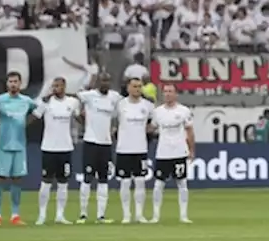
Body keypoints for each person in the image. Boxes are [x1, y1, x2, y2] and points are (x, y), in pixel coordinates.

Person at [0, 71, 40, 226]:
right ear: (7, 84)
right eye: (10, 81)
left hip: (20, 145)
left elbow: (36, 113)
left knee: (17, 179)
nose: (13, 84)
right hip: (3, 145)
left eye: (15, 81)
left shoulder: (27, 101)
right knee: (0, 179)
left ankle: (15, 215)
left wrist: (25, 123)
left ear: (20, 83)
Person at [76, 70, 122, 223]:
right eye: (102, 81)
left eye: (107, 81)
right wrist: (80, 116)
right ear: (97, 82)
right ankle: (83, 214)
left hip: (106, 143)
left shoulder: (114, 97)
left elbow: (124, 107)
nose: (105, 84)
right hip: (90, 142)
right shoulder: (89, 95)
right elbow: (74, 96)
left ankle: (100, 215)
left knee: (103, 179)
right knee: (87, 178)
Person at [35, 77, 79, 225]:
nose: (55, 88)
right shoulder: (46, 102)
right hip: (49, 148)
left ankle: (60, 215)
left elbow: (79, 117)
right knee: (46, 182)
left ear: (64, 87)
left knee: (63, 183)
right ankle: (42, 215)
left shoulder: (72, 103)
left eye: (58, 86)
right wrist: (41, 102)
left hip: (65, 148)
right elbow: (34, 117)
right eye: (53, 86)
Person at [150, 84, 195, 223]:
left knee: (182, 184)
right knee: (158, 185)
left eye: (170, 91)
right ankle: (156, 215)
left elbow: (190, 132)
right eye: (165, 92)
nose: (168, 94)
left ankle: (183, 215)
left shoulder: (184, 111)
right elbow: (151, 128)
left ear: (176, 94)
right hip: (163, 152)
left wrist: (192, 150)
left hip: (179, 152)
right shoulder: (157, 112)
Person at [114, 76, 153, 224]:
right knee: (124, 183)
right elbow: (112, 122)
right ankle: (126, 214)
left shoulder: (148, 106)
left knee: (140, 182)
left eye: (139, 86)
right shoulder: (120, 105)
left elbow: (152, 123)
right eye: (134, 86)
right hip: (124, 149)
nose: (137, 89)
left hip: (140, 149)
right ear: (128, 88)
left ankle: (139, 214)